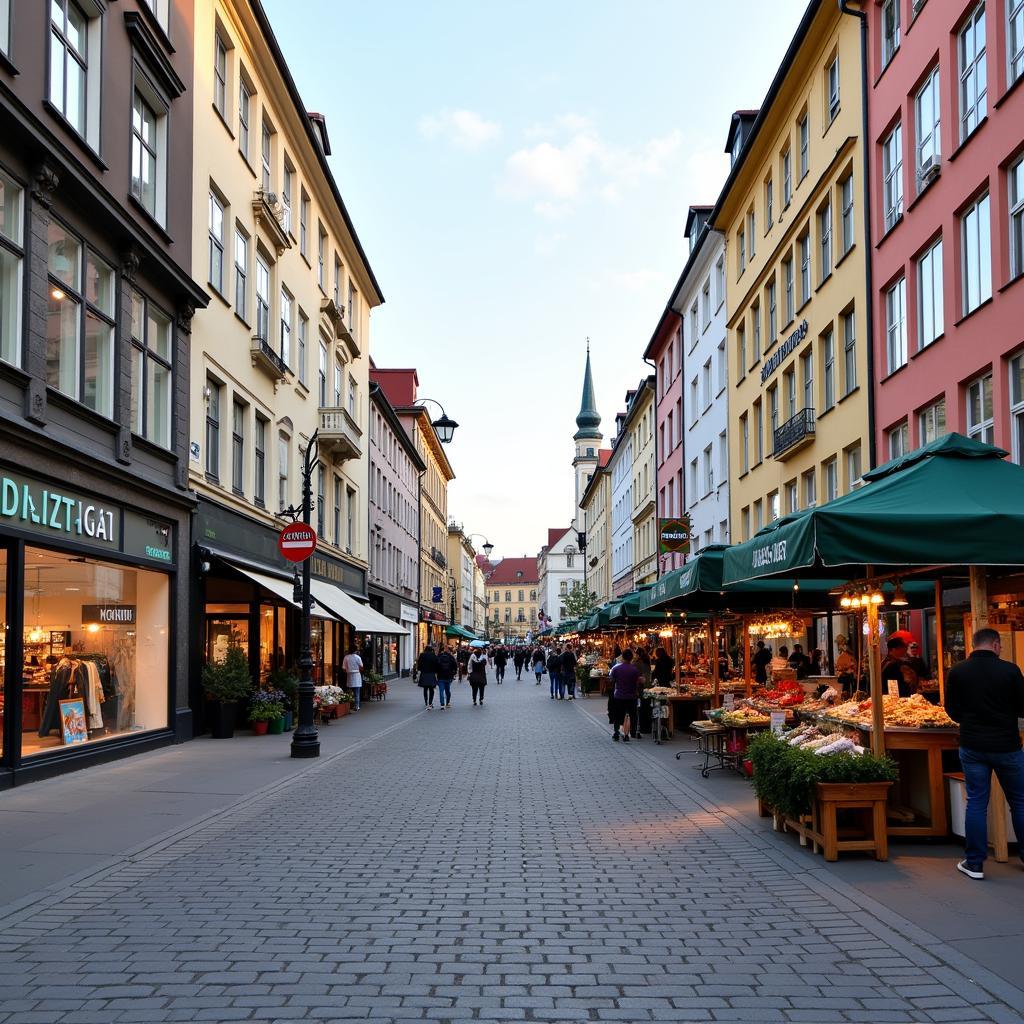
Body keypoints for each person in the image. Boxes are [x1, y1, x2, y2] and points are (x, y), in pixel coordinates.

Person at [945, 627, 1024, 880]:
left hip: (973, 745)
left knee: (977, 803)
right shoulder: (1010, 670)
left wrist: (969, 719)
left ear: (972, 644)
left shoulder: (958, 671)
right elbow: (1023, 708)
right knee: (1020, 802)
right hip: (1007, 745)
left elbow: (952, 710)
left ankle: (975, 863)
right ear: (996, 645)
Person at [608, 649, 641, 742]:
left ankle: (616, 733)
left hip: (619, 695)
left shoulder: (616, 668)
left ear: (622, 657)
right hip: (631, 696)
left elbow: (611, 679)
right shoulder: (634, 669)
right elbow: (637, 682)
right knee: (631, 715)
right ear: (631, 658)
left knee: (618, 715)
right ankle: (630, 733)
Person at [416, 645, 438, 710]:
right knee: (431, 689)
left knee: (425, 689)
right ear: (431, 649)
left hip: (424, 673)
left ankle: (426, 703)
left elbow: (419, 664)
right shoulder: (433, 655)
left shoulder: (422, 655)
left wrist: (420, 669)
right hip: (431, 674)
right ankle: (430, 703)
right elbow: (436, 664)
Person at [342, 645, 364, 711]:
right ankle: (356, 706)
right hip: (356, 675)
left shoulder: (346, 657)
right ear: (356, 650)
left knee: (349, 691)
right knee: (357, 692)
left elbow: (343, 668)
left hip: (349, 675)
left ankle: (349, 706)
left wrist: (348, 671)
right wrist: (358, 670)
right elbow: (362, 667)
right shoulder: (358, 657)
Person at [436, 645, 457, 710]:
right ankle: (447, 703)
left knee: (441, 691)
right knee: (448, 690)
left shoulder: (439, 656)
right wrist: (454, 673)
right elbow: (455, 666)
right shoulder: (451, 657)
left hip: (440, 676)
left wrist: (436, 674)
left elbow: (436, 665)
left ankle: (442, 705)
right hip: (449, 676)